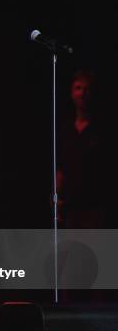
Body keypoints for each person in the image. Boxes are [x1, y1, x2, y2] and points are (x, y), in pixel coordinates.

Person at [57, 70, 106, 228]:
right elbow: (61, 167)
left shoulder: (102, 129)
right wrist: (57, 196)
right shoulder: (66, 129)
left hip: (95, 209)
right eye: (78, 88)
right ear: (72, 93)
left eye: (86, 89)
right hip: (70, 209)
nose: (82, 93)